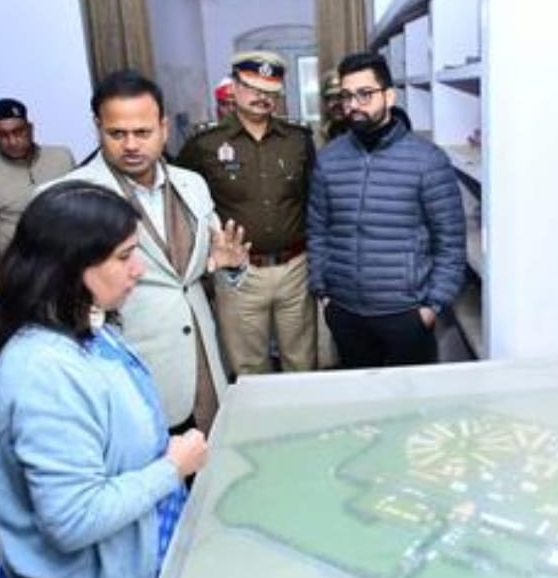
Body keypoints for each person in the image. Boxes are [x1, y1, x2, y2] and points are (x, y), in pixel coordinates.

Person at [0, 180, 208, 578]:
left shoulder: (88, 327)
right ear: (70, 265)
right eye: (124, 256)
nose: (138, 269)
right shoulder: (43, 372)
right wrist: (172, 469)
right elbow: (74, 519)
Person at [47, 69, 248, 434]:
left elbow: (196, 269)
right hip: (127, 371)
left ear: (164, 128)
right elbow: (53, 300)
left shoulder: (192, 184)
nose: (131, 145)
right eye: (117, 133)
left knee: (208, 462)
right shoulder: (69, 199)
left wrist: (228, 267)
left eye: (143, 132)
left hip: (203, 361)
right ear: (98, 128)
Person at [308, 52, 466, 368]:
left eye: (365, 94)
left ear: (389, 96)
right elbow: (318, 230)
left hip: (406, 313)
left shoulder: (428, 160)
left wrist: (431, 306)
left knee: (411, 396)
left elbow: (450, 243)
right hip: (345, 312)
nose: (353, 105)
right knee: (359, 394)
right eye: (346, 96)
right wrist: (324, 293)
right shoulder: (329, 158)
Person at [177, 50, 317, 374]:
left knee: (303, 365)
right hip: (239, 274)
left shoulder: (298, 139)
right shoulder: (205, 143)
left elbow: (314, 200)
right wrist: (203, 256)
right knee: (248, 369)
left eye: (270, 91)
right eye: (253, 87)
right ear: (235, 86)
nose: (261, 97)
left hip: (296, 269)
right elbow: (181, 198)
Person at [0, 99, 75, 255]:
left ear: (30, 128)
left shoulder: (61, 157)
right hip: (22, 262)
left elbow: (78, 203)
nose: (12, 141)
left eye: (18, 131)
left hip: (70, 254)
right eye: (2, 135)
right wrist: (13, 251)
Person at [317, 69, 347, 147]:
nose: (336, 103)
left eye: (341, 96)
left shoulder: (362, 133)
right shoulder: (321, 136)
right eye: (330, 98)